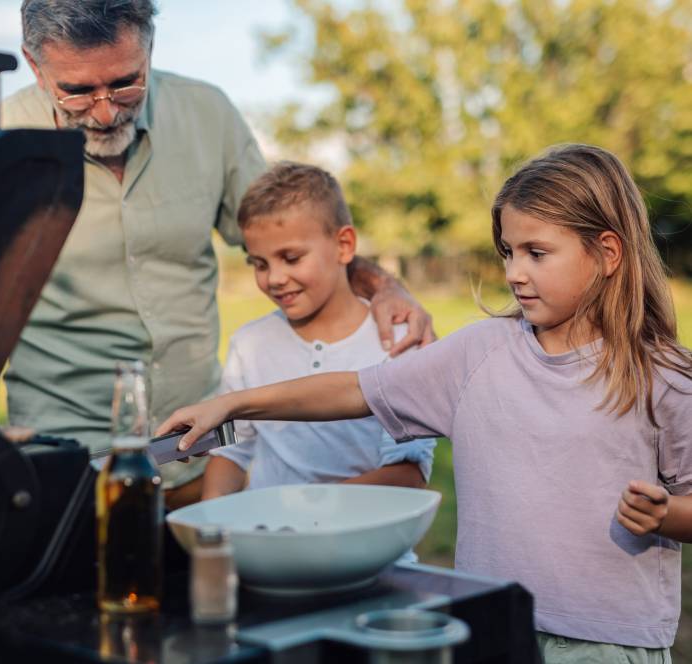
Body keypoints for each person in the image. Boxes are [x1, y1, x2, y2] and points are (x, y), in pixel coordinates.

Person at [159, 144, 692, 661]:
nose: (514, 272)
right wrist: (232, 406)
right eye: (508, 251)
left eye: (536, 252)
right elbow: (353, 389)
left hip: (604, 640)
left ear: (607, 253)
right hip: (487, 619)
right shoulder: (478, 353)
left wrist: (666, 515)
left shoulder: (664, 377)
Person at [0, 0, 435, 508]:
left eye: (126, 83)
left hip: (198, 454)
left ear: (149, 49)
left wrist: (386, 287)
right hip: (73, 466)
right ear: (35, 67)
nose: (104, 112)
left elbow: (294, 232)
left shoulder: (207, 114)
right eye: (77, 91)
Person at [202, 162, 436, 506]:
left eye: (291, 258)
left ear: (344, 245)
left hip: (367, 548)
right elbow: (232, 454)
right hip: (270, 545)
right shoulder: (249, 344)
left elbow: (408, 473)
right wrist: (213, 518)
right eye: (260, 264)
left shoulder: (399, 341)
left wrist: (303, 510)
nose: (275, 278)